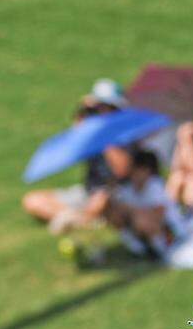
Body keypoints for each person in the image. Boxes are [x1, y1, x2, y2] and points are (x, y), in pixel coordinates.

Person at [21, 79, 132, 234]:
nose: (102, 111)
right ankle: (80, 220)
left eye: (106, 107)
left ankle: (81, 221)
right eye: (99, 106)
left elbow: (122, 171)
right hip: (88, 191)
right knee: (32, 201)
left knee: (101, 201)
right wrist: (83, 110)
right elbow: (74, 141)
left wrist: (106, 138)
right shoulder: (90, 129)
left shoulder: (127, 133)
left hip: (115, 194)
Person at [105, 149, 185, 258]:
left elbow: (159, 215)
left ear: (146, 170)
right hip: (145, 230)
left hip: (171, 232)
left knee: (140, 220)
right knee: (115, 214)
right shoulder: (128, 190)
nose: (133, 174)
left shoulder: (155, 186)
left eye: (136, 170)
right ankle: (138, 248)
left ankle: (158, 250)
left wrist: (131, 210)